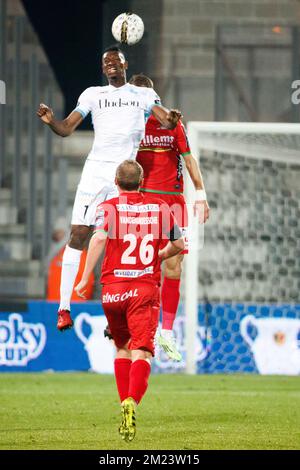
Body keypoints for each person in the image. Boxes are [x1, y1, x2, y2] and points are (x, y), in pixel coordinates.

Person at [37, 46, 182, 331]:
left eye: (116, 60)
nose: (111, 64)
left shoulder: (142, 94)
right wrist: (51, 121)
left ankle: (115, 313)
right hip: (95, 172)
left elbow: (165, 119)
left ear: (125, 63)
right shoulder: (92, 94)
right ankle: (64, 308)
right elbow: (67, 128)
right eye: (106, 62)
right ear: (103, 69)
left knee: (116, 241)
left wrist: (172, 118)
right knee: (78, 233)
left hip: (125, 175)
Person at [75, 160, 184, 442]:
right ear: (142, 180)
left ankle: (123, 404)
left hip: (112, 292)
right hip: (143, 289)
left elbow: (98, 239)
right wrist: (159, 256)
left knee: (121, 348)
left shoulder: (107, 208)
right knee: (142, 352)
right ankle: (130, 403)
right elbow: (179, 244)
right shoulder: (161, 207)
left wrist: (86, 277)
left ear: (116, 180)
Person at [129, 74, 210, 361]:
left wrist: (200, 195)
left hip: (174, 203)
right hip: (143, 202)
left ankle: (167, 331)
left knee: (174, 265)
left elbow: (189, 159)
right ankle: (136, 327)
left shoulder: (172, 125)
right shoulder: (130, 125)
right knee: (139, 266)